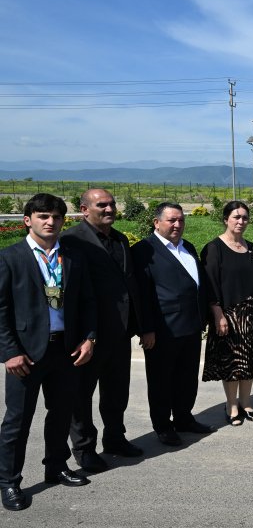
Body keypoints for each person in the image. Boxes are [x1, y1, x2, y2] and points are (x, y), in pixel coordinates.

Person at [0, 194, 95, 512]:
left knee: (61, 414)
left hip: (65, 349)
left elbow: (87, 302)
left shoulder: (72, 258)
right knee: (17, 421)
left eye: (56, 216)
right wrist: (9, 352)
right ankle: (9, 481)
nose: (50, 222)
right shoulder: (10, 258)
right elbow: (1, 311)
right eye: (43, 216)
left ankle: (55, 466)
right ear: (27, 220)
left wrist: (89, 338)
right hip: (26, 354)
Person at [60, 188, 143, 472]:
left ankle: (115, 438)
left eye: (112, 204)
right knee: (81, 395)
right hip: (87, 336)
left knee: (117, 392)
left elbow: (129, 284)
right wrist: (86, 334)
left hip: (119, 332)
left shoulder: (120, 239)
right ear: (84, 210)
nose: (109, 209)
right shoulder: (71, 240)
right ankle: (84, 449)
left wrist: (139, 324)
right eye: (102, 205)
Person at [134, 202, 214, 446]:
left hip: (191, 325)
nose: (177, 224)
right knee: (161, 380)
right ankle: (162, 425)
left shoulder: (187, 246)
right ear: (156, 222)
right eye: (171, 220)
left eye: (181, 220)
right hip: (162, 329)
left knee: (187, 378)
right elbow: (141, 294)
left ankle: (183, 418)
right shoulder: (143, 250)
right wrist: (146, 329)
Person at [200, 201, 253, 427]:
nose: (241, 221)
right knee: (232, 362)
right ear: (225, 219)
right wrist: (218, 314)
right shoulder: (214, 248)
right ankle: (231, 405)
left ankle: (246, 402)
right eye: (236, 217)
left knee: (248, 361)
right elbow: (210, 285)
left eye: (245, 217)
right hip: (228, 316)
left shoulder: (251, 247)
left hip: (252, 314)